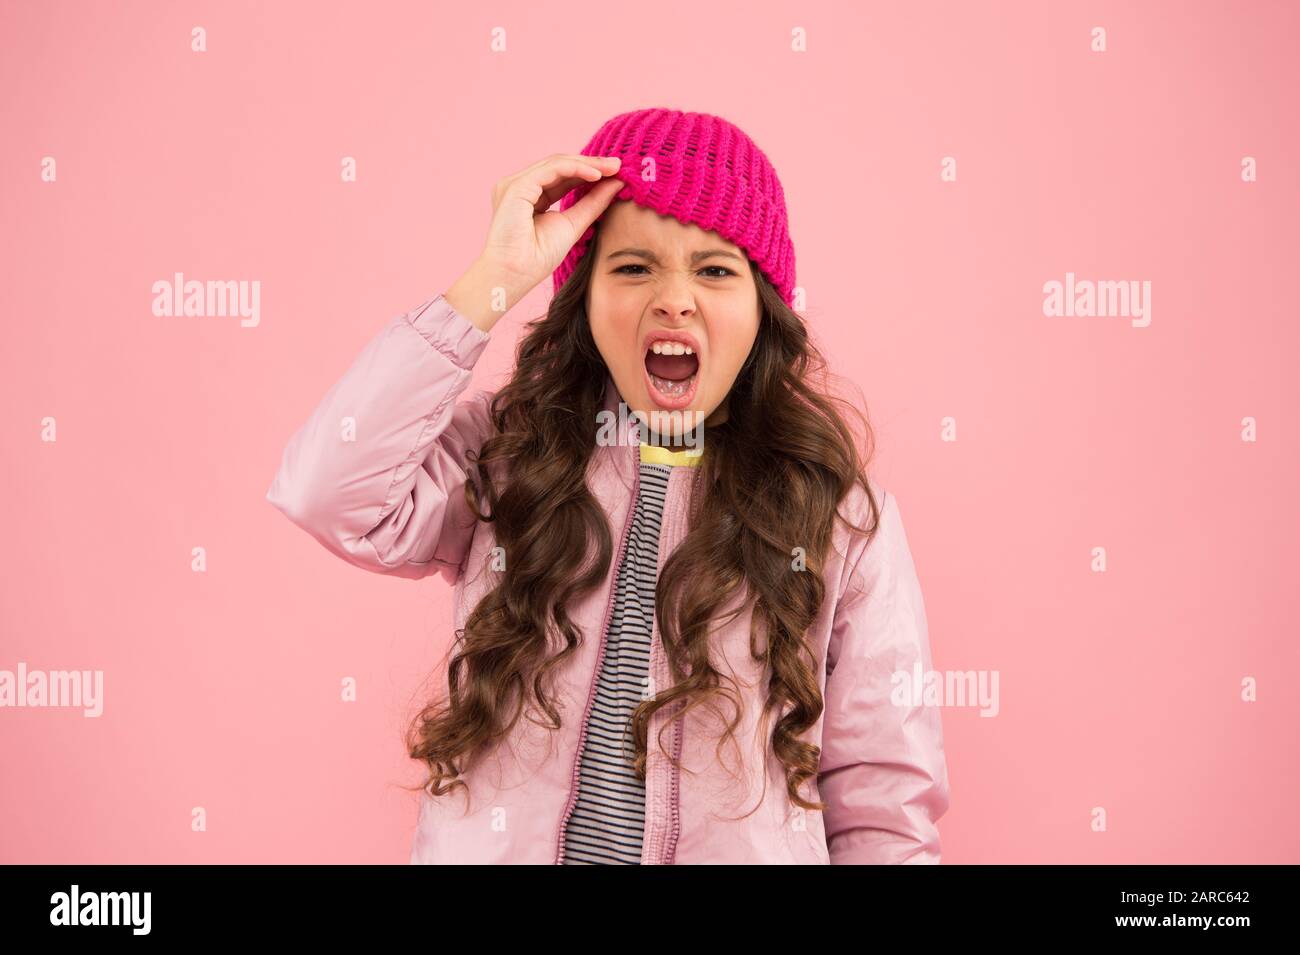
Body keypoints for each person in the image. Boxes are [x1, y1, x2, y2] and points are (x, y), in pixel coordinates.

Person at [266, 107, 950, 864]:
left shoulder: (841, 521)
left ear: (764, 310)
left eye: (715, 269)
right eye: (633, 267)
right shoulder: (509, 452)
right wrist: (492, 282)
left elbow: (884, 815)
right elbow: (328, 492)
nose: (674, 298)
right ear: (583, 299)